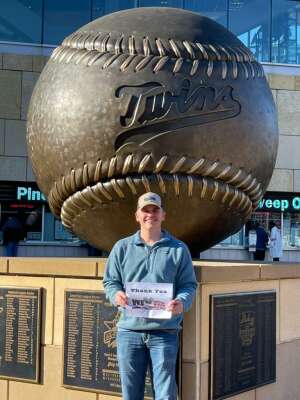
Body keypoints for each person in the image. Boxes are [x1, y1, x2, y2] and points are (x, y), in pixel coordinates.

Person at [103, 192, 197, 400]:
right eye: (146, 210)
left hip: (164, 333)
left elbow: (189, 285)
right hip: (129, 332)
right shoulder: (122, 248)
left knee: (165, 394)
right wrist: (116, 294)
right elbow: (110, 281)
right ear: (137, 215)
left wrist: (181, 302)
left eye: (155, 210)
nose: (150, 215)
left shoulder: (178, 249)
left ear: (163, 215)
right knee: (131, 394)